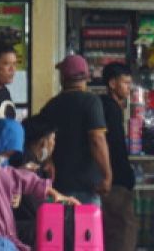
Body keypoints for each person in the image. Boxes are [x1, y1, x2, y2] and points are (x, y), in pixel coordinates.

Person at [34, 54, 112, 205]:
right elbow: (97, 139)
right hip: (88, 187)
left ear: (63, 77)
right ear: (87, 77)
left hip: (59, 186)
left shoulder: (52, 105)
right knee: (87, 227)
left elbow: (38, 138)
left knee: (62, 228)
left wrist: (47, 160)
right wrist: (107, 175)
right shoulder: (91, 102)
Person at [98, 62, 139, 251]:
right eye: (125, 83)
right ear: (112, 83)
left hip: (109, 179)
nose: (128, 87)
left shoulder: (104, 106)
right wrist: (124, 175)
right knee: (123, 231)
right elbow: (114, 146)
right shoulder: (110, 108)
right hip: (115, 182)